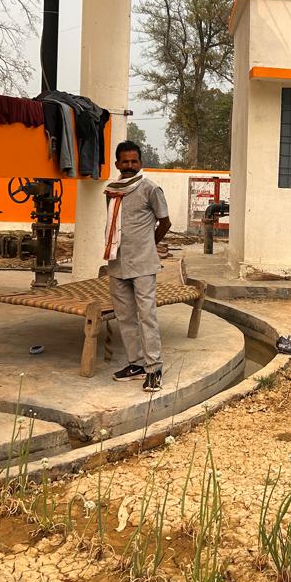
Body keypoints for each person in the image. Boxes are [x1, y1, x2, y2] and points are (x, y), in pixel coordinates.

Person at [105, 141, 171, 393]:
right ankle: (136, 364)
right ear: (117, 164)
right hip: (117, 262)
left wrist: (148, 244)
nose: (130, 165)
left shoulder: (150, 189)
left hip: (143, 264)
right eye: (125, 161)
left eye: (134, 161)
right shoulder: (112, 191)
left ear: (140, 163)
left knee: (147, 316)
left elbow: (165, 222)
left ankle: (154, 369)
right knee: (125, 317)